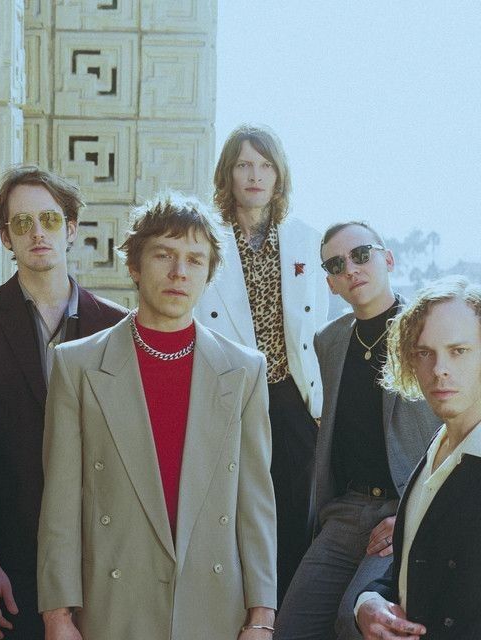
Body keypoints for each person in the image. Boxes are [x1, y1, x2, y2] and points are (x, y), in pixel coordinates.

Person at [37, 193, 278, 640]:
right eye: (163, 255)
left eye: (194, 260)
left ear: (208, 275)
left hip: (213, 604)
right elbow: (61, 500)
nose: (179, 272)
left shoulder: (244, 369)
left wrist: (261, 616)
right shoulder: (76, 365)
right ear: (133, 265)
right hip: (112, 603)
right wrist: (58, 614)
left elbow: (255, 502)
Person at [0, 166, 127, 639]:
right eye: (22, 223)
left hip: (100, 554)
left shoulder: (115, 326)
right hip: (13, 557)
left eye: (49, 220)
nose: (37, 234)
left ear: (70, 229)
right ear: (6, 238)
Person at [274, 222, 440, 640]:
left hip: (402, 512)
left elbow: (457, 430)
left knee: (356, 623)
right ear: (330, 283)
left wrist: (411, 513)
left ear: (387, 258)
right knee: (290, 629)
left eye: (361, 254)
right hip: (343, 513)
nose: (351, 268)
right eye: (336, 264)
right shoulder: (328, 341)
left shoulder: (428, 333)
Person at [195, 123, 327, 603]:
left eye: (265, 166)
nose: (255, 175)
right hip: (231, 392)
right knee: (234, 506)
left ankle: (285, 613)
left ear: (279, 176)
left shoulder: (306, 240)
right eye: (244, 165)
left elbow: (321, 328)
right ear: (228, 174)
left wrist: (320, 399)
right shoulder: (206, 239)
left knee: (294, 509)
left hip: (293, 394)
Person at [355, 276, 481, 640]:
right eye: (425, 352)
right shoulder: (439, 443)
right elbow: (414, 562)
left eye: (459, 350)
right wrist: (367, 602)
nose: (439, 368)